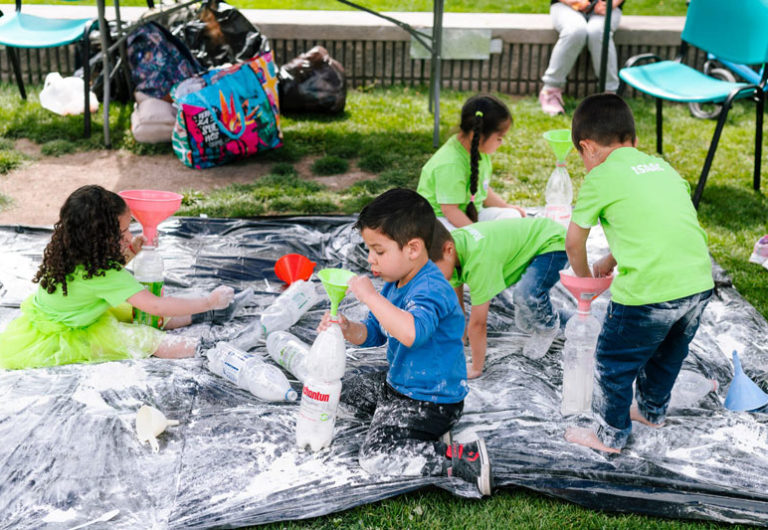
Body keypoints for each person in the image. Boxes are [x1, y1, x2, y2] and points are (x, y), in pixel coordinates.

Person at [563, 94, 714, 453]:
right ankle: (650, 410)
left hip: (648, 294)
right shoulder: (663, 168)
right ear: (632, 140)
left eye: (582, 157)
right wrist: (611, 261)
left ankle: (609, 435)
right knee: (666, 355)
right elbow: (655, 225)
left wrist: (587, 284)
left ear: (588, 147)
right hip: (696, 285)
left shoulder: (600, 177)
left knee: (612, 362)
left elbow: (573, 243)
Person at [317, 188, 492, 496]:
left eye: (379, 251)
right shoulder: (395, 283)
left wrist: (369, 297)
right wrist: (346, 328)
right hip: (400, 387)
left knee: (375, 457)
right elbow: (372, 332)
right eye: (369, 250)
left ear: (413, 249)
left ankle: (462, 459)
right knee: (339, 395)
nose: (371, 260)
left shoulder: (431, 288)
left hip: (432, 401)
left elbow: (411, 333)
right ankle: (419, 436)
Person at [0, 185, 238, 370]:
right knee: (147, 337)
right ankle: (213, 349)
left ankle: (205, 315)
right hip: (68, 334)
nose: (129, 235)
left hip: (54, 315)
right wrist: (208, 300)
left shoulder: (71, 248)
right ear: (101, 238)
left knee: (135, 312)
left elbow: (96, 282)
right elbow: (156, 305)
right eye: (124, 231)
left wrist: (131, 252)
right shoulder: (106, 276)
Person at [430, 218, 567, 378]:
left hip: (552, 242)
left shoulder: (478, 262)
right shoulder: (451, 249)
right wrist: (459, 340)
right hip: (530, 241)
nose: (431, 277)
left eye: (433, 270)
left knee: (526, 296)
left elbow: (478, 324)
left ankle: (549, 327)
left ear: (448, 250)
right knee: (525, 310)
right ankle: (541, 316)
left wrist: (476, 367)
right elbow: (456, 307)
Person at [417, 94, 526, 231]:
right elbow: (450, 211)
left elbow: (483, 191)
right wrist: (477, 234)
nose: (501, 142)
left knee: (512, 216)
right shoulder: (451, 164)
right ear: (477, 136)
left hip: (469, 215)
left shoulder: (479, 151)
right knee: (451, 243)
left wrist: (506, 207)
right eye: (499, 137)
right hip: (439, 220)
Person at [539, 0, 624, 116]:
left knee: (598, 32)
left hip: (606, 6)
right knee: (575, 31)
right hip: (564, 6)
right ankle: (550, 91)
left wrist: (611, 4)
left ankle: (609, 95)